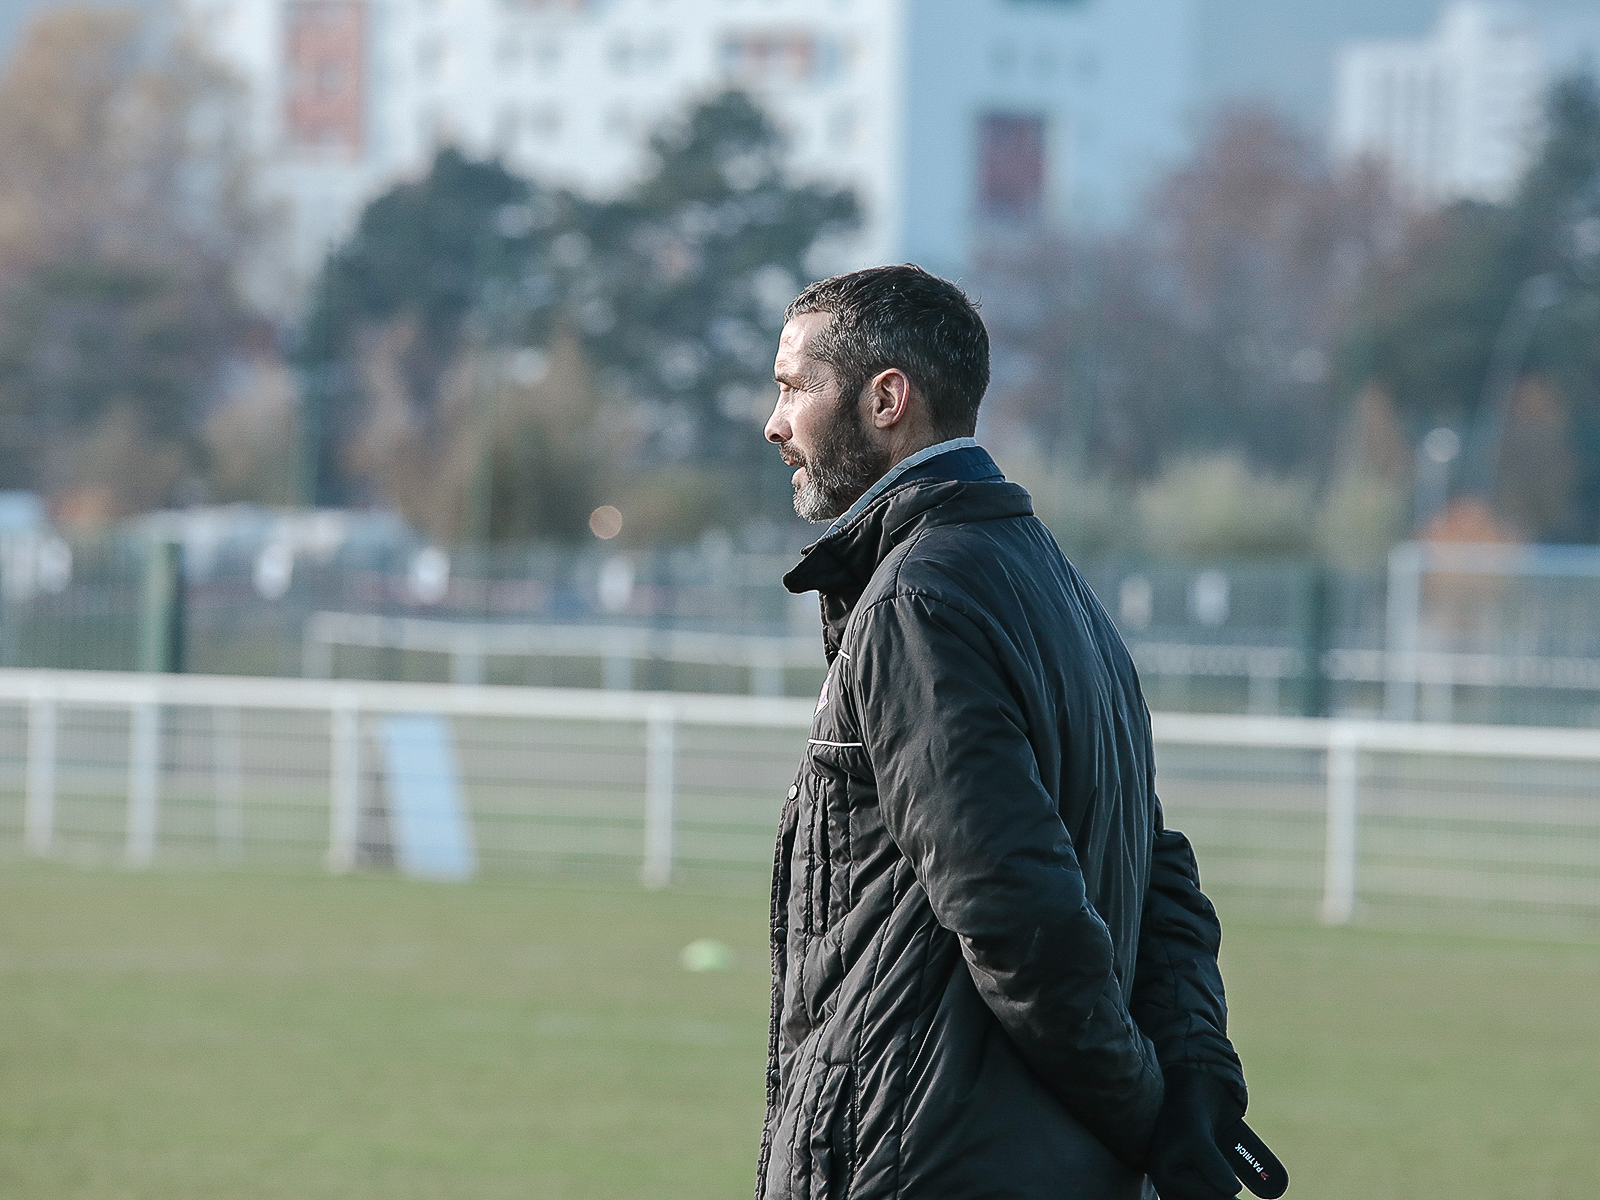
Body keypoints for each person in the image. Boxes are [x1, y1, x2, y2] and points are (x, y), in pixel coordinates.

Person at [757, 265, 1250, 1200]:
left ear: (886, 399)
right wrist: (1192, 1078)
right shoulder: (1055, 583)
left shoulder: (918, 600)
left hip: (927, 1164)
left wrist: (1158, 1112)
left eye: (792, 388)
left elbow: (1015, 913)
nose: (774, 424)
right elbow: (1161, 874)